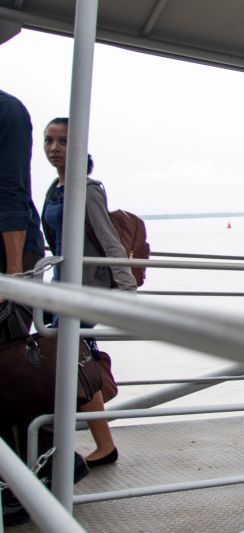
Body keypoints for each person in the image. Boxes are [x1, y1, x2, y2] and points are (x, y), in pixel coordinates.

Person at [41, 117, 136, 467]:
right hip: (60, 288)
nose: (54, 148)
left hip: (85, 291)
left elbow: (109, 240)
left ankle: (100, 444)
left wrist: (126, 292)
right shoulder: (55, 188)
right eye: (49, 141)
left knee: (73, 364)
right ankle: (97, 444)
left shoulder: (88, 188)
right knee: (70, 364)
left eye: (63, 141)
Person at [0, 89, 45, 285]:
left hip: (9, 251)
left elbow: (11, 189)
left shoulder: (7, 110)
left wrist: (14, 271)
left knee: (11, 311)